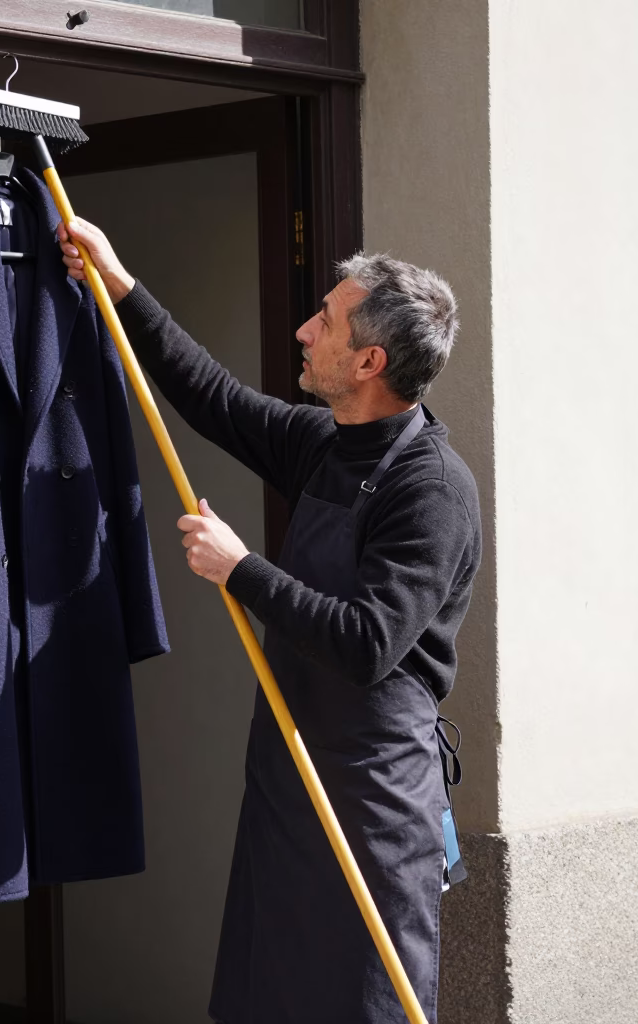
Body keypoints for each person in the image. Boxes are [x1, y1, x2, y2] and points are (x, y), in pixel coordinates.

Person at [58, 218, 482, 1024]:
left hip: (373, 799)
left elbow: (366, 645)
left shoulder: (432, 490)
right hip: (290, 774)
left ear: (369, 362)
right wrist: (118, 284)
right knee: (269, 1001)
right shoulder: (324, 442)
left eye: (325, 320)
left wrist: (240, 568)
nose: (304, 329)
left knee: (360, 1005)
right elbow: (210, 396)